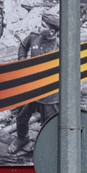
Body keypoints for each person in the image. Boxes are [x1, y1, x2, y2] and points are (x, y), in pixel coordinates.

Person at [15, 12, 62, 143]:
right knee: (21, 116)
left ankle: (46, 146)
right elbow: (23, 47)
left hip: (49, 94)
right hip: (30, 87)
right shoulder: (34, 36)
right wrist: (22, 61)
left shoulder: (60, 47)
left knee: (49, 122)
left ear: (52, 31)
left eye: (43, 26)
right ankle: (21, 139)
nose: (38, 27)